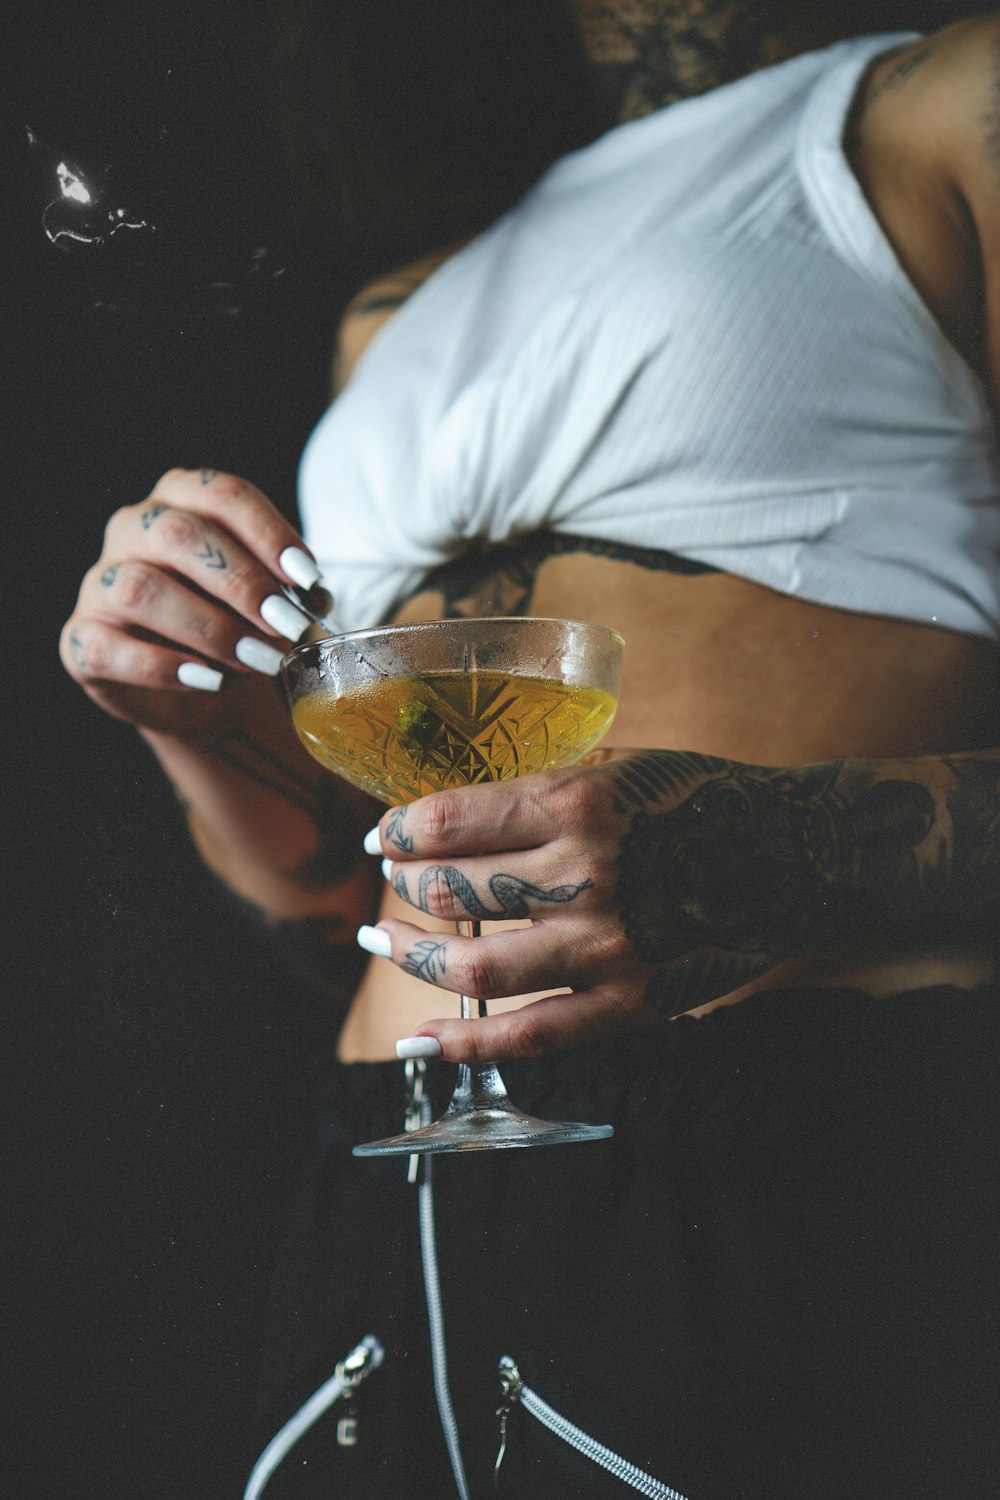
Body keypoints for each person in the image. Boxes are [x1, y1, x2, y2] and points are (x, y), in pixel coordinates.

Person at [61, 2, 1000, 1495]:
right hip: (395, 1165)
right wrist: (188, 723)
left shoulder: (947, 105)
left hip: (800, 1136)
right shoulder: (398, 305)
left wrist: (804, 854)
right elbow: (326, 907)